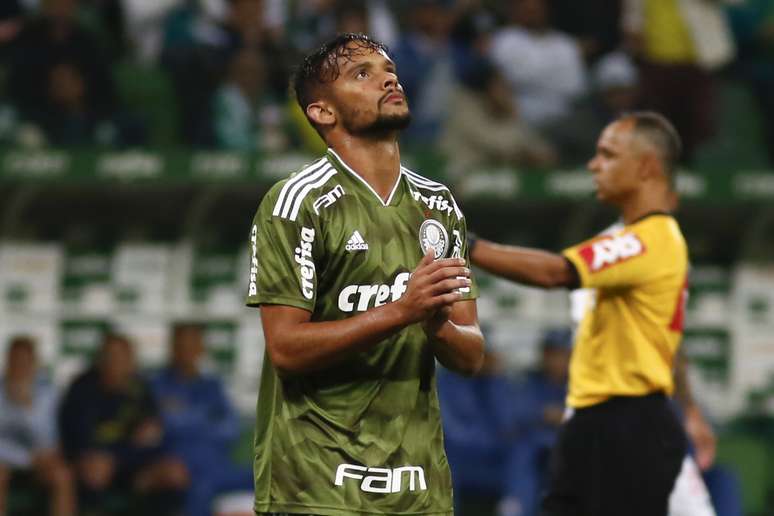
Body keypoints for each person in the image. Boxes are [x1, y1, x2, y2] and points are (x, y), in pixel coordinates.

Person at [245, 33, 484, 516]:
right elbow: (287, 349)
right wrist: (403, 310)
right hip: (315, 486)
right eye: (362, 74)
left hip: (418, 487)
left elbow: (472, 353)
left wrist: (435, 324)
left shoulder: (438, 205)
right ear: (323, 112)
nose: (388, 78)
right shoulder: (296, 203)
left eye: (388, 68)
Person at [470, 111, 688, 516]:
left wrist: (467, 244)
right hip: (595, 419)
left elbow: (557, 272)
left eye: (607, 154)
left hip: (629, 421)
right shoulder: (639, 240)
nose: (593, 164)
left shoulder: (652, 239)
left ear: (646, 166)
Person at [58, 333, 188, 515]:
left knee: (174, 472)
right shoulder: (83, 388)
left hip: (129, 462)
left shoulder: (140, 388)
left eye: (122, 357)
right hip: (92, 466)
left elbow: (152, 437)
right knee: (96, 469)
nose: (115, 363)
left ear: (131, 361)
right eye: (110, 357)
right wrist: (126, 448)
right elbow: (82, 443)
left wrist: (124, 457)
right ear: (100, 360)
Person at [149, 322, 253, 516]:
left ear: (200, 349)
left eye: (192, 346)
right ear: (172, 348)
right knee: (200, 489)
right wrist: (206, 418)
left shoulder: (212, 386)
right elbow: (164, 427)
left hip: (218, 464)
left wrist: (185, 417)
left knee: (268, 479)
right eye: (182, 346)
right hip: (183, 466)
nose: (187, 352)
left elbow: (231, 429)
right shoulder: (158, 385)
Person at [0, 336, 76, 516]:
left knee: (62, 476)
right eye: (15, 360)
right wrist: (26, 458)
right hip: (9, 458)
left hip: (42, 458)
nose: (20, 366)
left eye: (25, 361)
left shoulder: (48, 392)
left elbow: (48, 441)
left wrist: (27, 407)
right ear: (8, 360)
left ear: (34, 363)